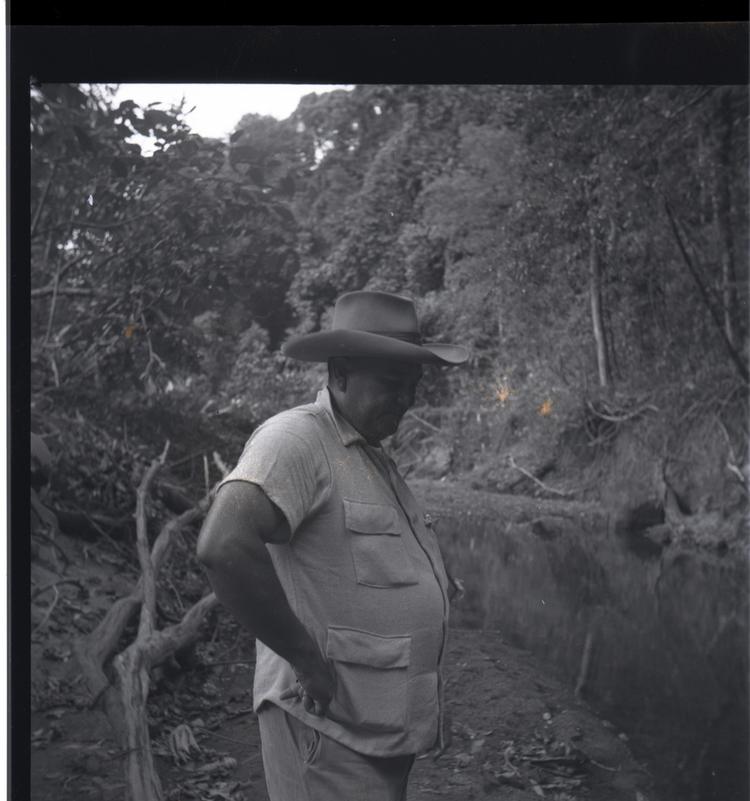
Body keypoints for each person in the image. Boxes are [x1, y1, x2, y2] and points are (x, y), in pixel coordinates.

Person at [197, 290, 468, 801]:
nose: (406, 400)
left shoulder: (370, 455)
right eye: (392, 384)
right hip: (328, 731)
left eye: (412, 385)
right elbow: (223, 546)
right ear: (339, 373)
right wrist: (305, 658)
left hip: (377, 732)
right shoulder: (295, 439)